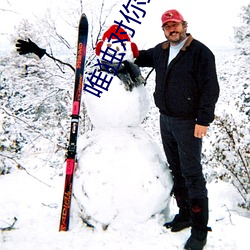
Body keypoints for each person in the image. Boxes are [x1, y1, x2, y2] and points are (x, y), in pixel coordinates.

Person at [135, 9, 219, 250]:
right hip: (166, 120)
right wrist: (123, 49)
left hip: (189, 123)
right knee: (177, 169)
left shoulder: (200, 52)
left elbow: (210, 88)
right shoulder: (161, 51)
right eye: (167, 26)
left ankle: (200, 231)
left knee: (192, 173)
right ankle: (185, 214)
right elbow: (140, 57)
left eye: (175, 24)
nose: (172, 29)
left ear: (184, 24)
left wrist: (203, 120)